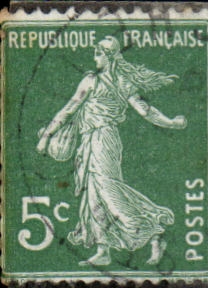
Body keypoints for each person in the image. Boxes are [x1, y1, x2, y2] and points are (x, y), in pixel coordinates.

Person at [35, 37, 186, 267]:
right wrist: (48, 134)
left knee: (108, 191)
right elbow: (71, 109)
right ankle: (103, 249)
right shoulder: (98, 80)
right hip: (89, 140)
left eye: (97, 54)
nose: (94, 58)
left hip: (104, 139)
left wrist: (172, 123)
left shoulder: (109, 82)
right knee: (93, 194)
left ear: (108, 56)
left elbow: (145, 110)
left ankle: (155, 232)